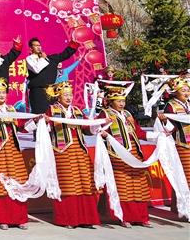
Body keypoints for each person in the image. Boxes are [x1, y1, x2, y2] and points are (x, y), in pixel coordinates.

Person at [44, 81, 100, 228]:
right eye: (65, 95)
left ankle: (86, 219)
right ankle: (68, 219)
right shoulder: (52, 110)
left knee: (85, 184)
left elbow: (87, 129)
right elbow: (45, 129)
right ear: (58, 96)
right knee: (68, 185)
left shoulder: (77, 111)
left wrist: (98, 123)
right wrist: (45, 122)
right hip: (63, 151)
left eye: (70, 95)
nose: (69, 98)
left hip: (80, 150)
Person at [98, 85, 151, 228]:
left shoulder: (127, 114)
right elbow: (96, 129)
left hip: (134, 153)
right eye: (118, 101)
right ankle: (124, 217)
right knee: (123, 186)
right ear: (111, 101)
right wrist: (103, 132)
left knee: (138, 185)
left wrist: (157, 136)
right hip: (118, 154)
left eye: (123, 100)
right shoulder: (105, 113)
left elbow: (138, 132)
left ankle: (141, 217)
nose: (122, 103)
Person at [0, 78, 32, 230]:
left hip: (13, 147)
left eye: (4, 92)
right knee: (0, 183)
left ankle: (19, 218)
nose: (2, 95)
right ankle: (2, 218)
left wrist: (36, 121)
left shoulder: (11, 109)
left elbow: (22, 127)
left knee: (17, 180)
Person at [25, 38, 79, 114]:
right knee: (40, 115)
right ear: (31, 48)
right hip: (38, 92)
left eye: (39, 45)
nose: (38, 47)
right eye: (36, 45)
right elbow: (36, 69)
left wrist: (73, 45)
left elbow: (64, 55)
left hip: (51, 91)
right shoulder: (30, 59)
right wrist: (43, 59)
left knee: (53, 114)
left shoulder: (51, 59)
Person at [159, 77, 190, 186]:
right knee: (186, 175)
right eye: (183, 90)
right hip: (182, 144)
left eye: (188, 90)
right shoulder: (171, 105)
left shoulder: (189, 104)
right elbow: (170, 128)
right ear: (176, 92)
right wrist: (165, 120)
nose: (186, 93)